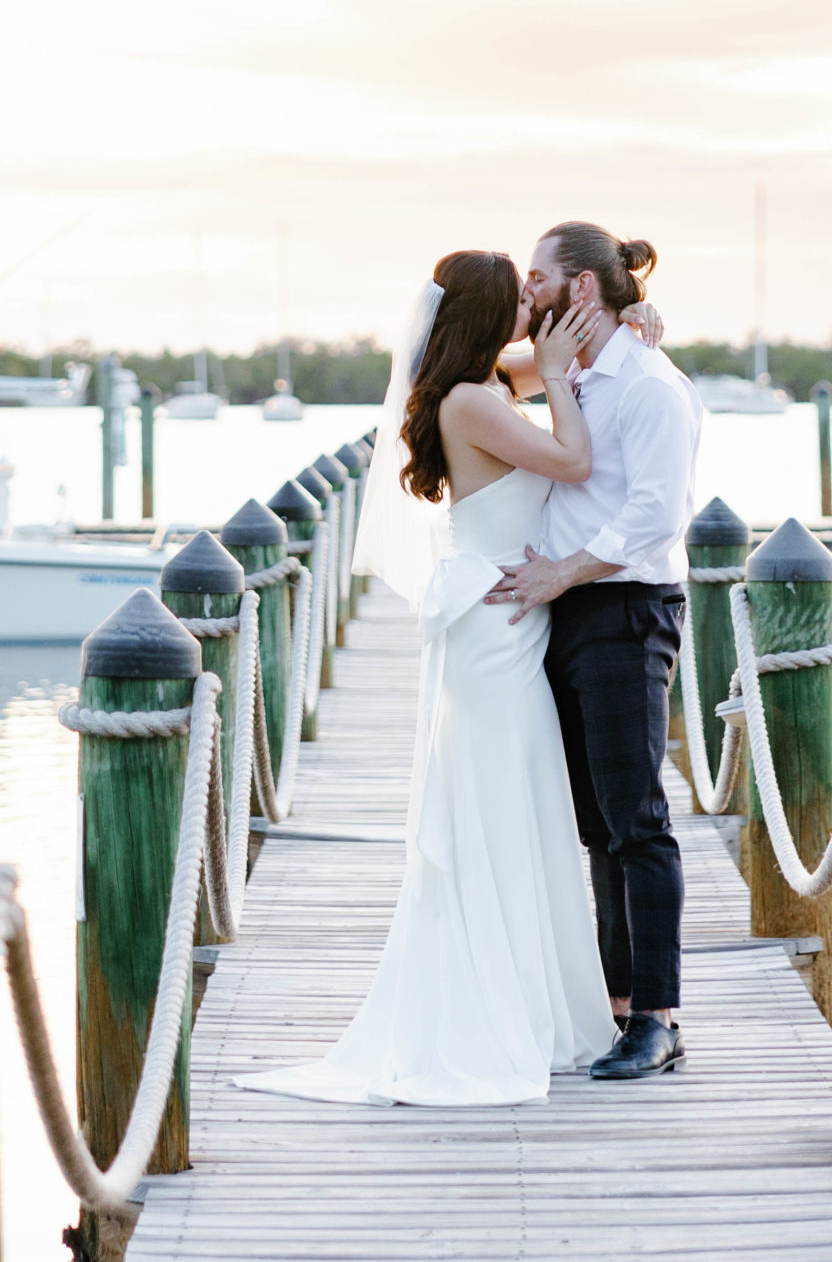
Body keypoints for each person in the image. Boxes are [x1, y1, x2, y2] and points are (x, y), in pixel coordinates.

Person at [232, 246, 663, 1106]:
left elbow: (562, 362)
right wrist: (562, 379)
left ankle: (536, 999)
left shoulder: (483, 384)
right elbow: (574, 461)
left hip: (505, 618)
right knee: (499, 808)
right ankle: (492, 1006)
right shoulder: (473, 401)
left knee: (522, 806)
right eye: (516, 297)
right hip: (496, 629)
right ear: (484, 312)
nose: (529, 308)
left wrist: (641, 328)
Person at [486, 222, 703, 1080]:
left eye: (537, 276)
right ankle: (618, 1007)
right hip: (568, 605)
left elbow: (656, 517)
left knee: (638, 820)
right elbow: (476, 362)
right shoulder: (564, 368)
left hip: (623, 607)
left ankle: (659, 1018)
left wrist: (561, 574)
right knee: (598, 826)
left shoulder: (650, 385)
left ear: (581, 289)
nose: (525, 289)